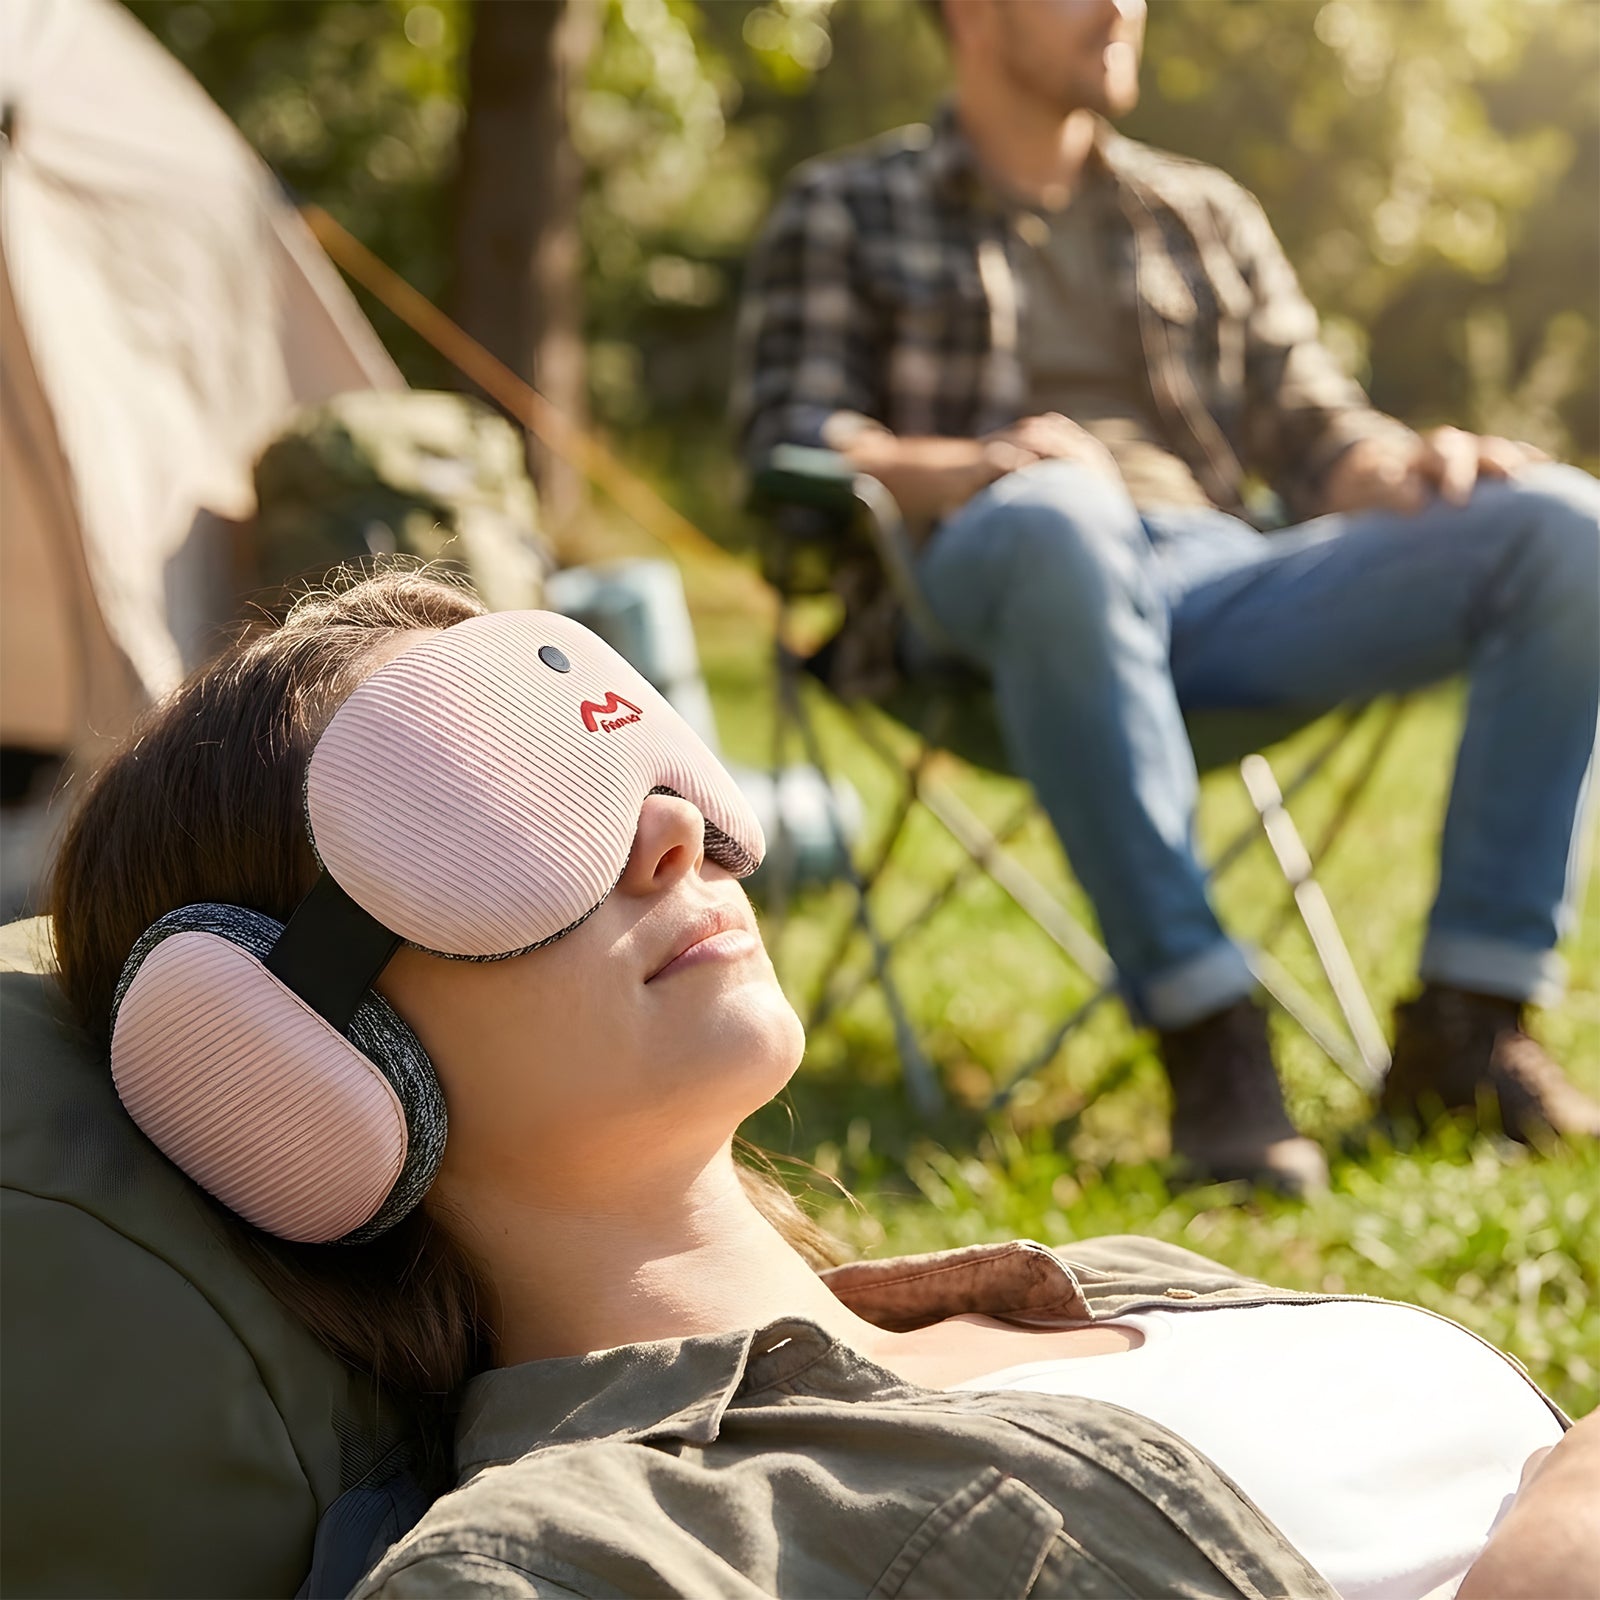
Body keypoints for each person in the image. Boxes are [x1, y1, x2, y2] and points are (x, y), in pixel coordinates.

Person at [46, 570, 1596, 1600]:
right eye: (488, 815)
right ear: (262, 1053)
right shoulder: (592, 1558)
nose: (666, 835)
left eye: (624, 754)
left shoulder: (1105, 1288)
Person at [732, 0, 1600, 1195]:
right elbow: (789, 445)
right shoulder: (845, 207)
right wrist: (971, 467)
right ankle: (1209, 1032)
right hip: (979, 589)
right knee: (1060, 514)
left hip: (1214, 579)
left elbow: (1316, 433)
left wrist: (1407, 465)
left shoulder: (1199, 211)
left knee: (1563, 526)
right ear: (975, 15)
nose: (1121, 6)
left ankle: (1467, 1031)